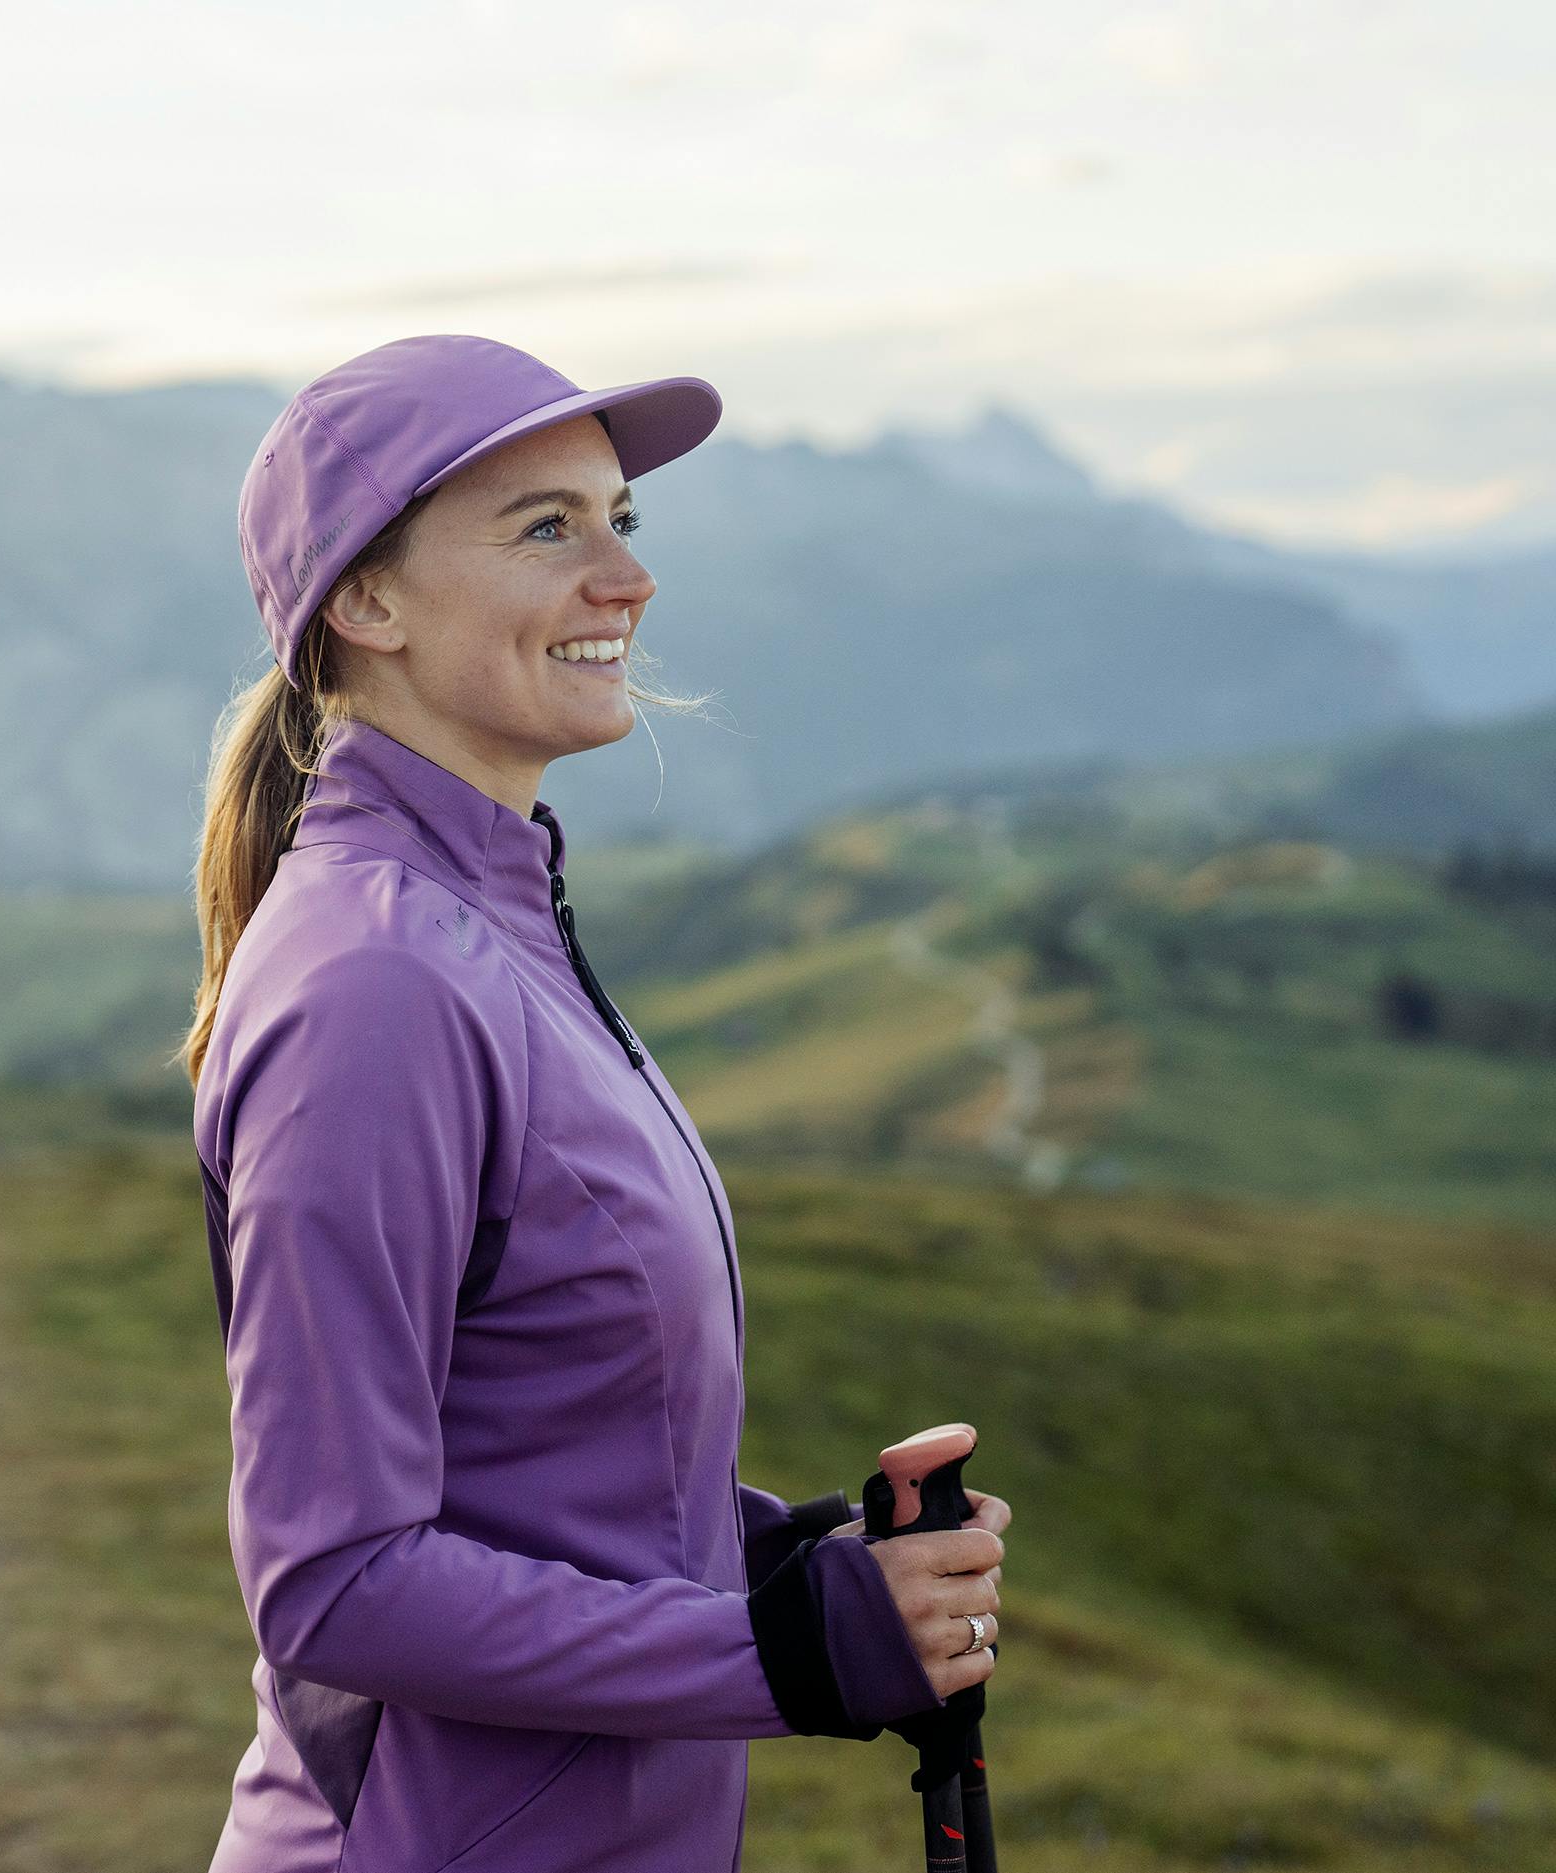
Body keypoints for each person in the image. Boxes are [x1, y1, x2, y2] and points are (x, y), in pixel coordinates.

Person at [183, 335, 1010, 1872]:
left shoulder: (493, 922)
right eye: (546, 527)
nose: (622, 578)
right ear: (365, 603)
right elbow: (336, 1581)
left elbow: (529, 1444)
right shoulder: (375, 984)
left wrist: (787, 1570)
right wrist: (784, 1657)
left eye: (620, 520)